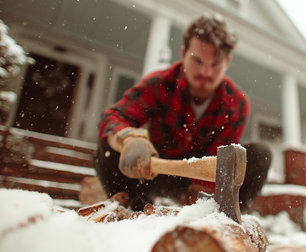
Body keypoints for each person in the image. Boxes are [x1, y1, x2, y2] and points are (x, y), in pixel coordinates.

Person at [93, 14, 271, 211]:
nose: (205, 72)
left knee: (259, 155)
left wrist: (202, 192)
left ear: (227, 62)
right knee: (108, 144)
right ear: (184, 53)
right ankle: (130, 207)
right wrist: (129, 139)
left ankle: (225, 219)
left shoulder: (236, 103)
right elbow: (114, 117)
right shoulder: (160, 83)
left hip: (199, 180)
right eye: (197, 61)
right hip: (152, 171)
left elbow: (223, 160)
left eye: (215, 64)